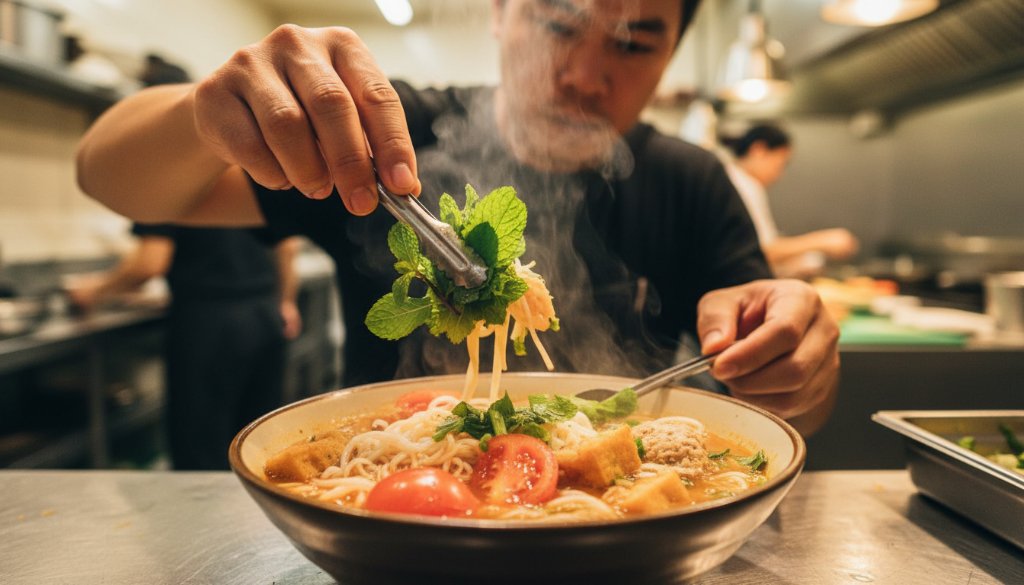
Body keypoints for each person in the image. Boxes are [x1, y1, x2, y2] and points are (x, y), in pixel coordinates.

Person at [75, 0, 839, 436]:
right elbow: (113, 180)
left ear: (672, 54)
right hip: (386, 527)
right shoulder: (383, 138)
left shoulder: (692, 179)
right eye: (559, 24)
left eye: (634, 43)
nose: (583, 76)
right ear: (502, 13)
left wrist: (794, 367)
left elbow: (786, 401)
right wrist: (200, 111)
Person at [66, 225, 303, 469]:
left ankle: (206, 508)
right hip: (265, 313)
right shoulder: (259, 184)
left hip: (209, 321)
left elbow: (150, 262)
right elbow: (288, 245)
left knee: (202, 448)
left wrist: (94, 291)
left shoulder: (163, 186)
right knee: (260, 442)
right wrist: (286, 300)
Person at [721, 124, 860, 278]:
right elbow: (761, 251)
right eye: (780, 164)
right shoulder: (742, 184)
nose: (779, 174)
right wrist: (823, 241)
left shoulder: (737, 180)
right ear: (758, 150)